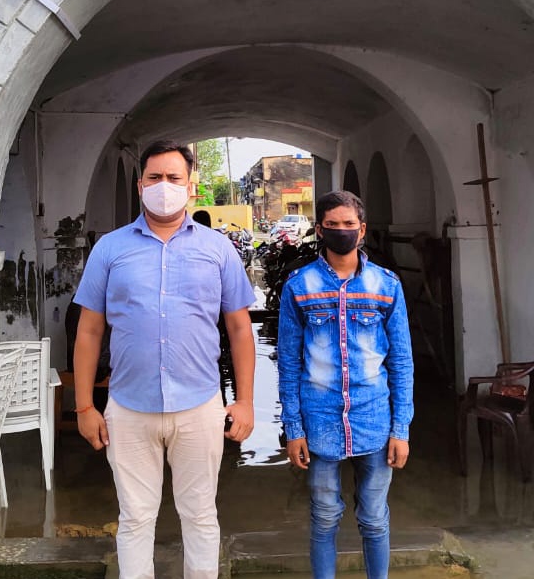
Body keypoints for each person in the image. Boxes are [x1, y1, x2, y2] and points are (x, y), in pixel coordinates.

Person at [73, 140, 256, 579]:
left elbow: (239, 328)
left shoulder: (218, 249)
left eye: (174, 178)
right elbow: (89, 331)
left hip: (199, 406)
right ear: (141, 185)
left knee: (200, 515)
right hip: (129, 408)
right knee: (135, 518)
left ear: (191, 187)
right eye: (155, 177)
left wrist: (246, 401)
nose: (164, 186)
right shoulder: (110, 249)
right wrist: (84, 407)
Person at [277, 190, 414, 579]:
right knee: (323, 517)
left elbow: (401, 361)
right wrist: (293, 428)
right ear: (320, 230)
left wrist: (401, 429)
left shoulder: (386, 285)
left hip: (375, 419)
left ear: (362, 229)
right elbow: (288, 362)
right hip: (320, 422)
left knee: (374, 518)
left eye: (349, 224)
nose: (342, 231)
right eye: (333, 225)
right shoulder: (299, 285)